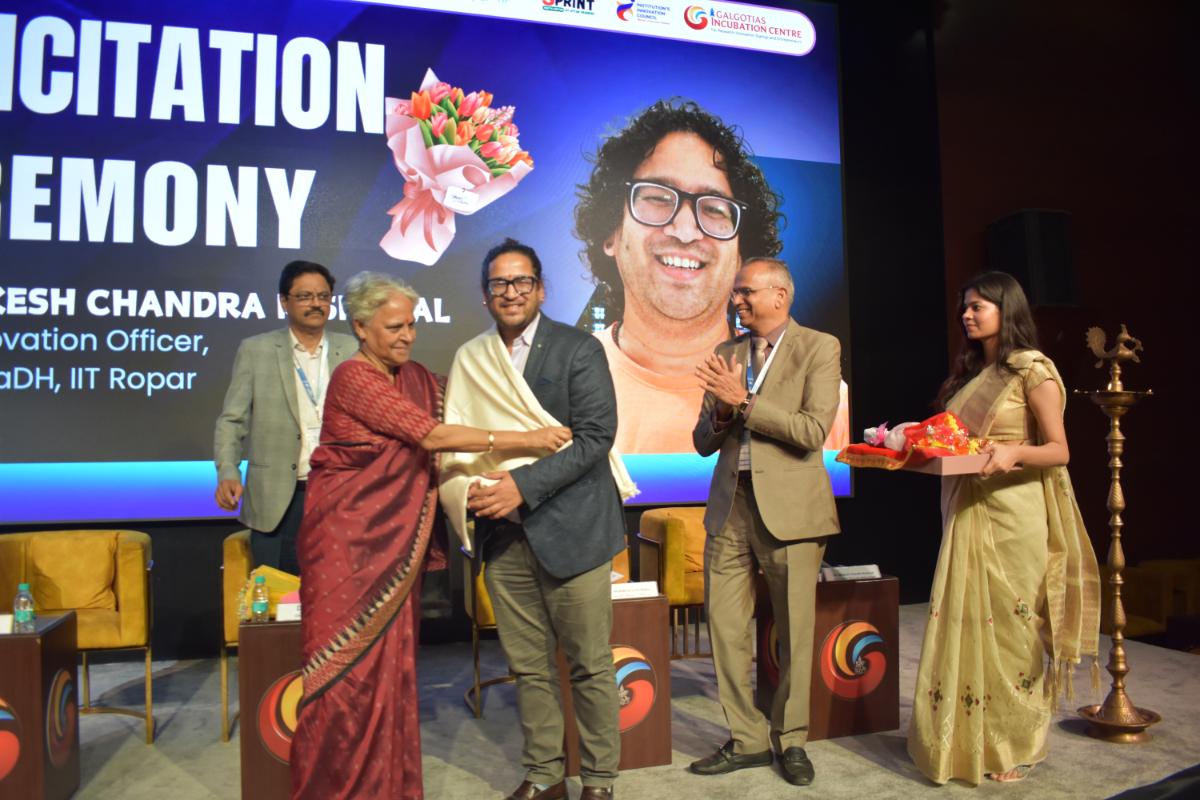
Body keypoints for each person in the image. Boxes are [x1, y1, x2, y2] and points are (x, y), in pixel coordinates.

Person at [290, 271, 571, 800]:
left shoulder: (417, 378)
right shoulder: (354, 378)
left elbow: (469, 397)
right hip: (345, 550)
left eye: (412, 325)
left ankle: (389, 787)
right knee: (344, 678)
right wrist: (528, 438)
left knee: (390, 673)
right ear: (361, 327)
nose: (407, 336)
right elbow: (434, 435)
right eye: (394, 327)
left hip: (392, 551)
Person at [443, 239, 629, 800]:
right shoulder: (471, 357)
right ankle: (545, 773)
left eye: (521, 281)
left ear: (541, 289)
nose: (511, 292)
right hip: (504, 536)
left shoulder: (578, 348)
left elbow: (596, 437)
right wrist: (476, 491)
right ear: (485, 295)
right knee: (528, 667)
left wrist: (520, 487)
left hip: (576, 529)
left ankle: (598, 780)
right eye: (499, 283)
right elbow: (456, 443)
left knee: (590, 664)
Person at [907, 271, 1100, 785]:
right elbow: (959, 443)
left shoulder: (1032, 370)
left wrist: (1014, 452)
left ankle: (1018, 745)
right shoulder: (974, 373)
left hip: (1014, 513)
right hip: (969, 506)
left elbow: (1059, 450)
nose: (967, 315)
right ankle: (965, 740)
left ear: (1006, 309)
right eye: (965, 307)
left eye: (979, 306)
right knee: (968, 623)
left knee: (1013, 629)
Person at [575, 99, 849, 454]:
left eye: (715, 208)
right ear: (610, 234)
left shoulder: (818, 395)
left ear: (740, 254)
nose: (685, 231)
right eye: (657, 198)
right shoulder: (557, 384)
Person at [690, 257, 842, 788]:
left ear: (780, 295)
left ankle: (791, 739)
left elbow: (812, 431)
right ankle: (747, 740)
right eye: (736, 293)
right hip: (730, 507)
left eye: (746, 292)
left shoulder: (819, 347)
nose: (737, 300)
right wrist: (722, 413)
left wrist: (745, 402)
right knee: (725, 630)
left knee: (795, 632)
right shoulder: (727, 353)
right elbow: (702, 441)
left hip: (793, 513)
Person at [213, 260, 357, 575]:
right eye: (305, 296)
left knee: (339, 588)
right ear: (284, 301)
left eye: (323, 296)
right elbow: (232, 421)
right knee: (279, 592)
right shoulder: (256, 350)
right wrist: (228, 471)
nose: (316, 304)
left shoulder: (352, 349)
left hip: (339, 492)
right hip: (278, 497)